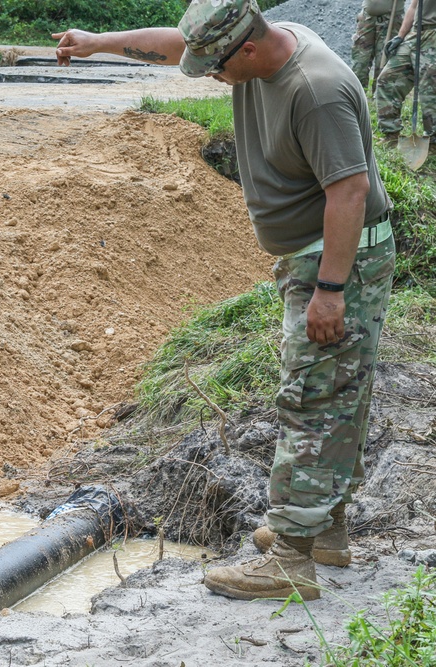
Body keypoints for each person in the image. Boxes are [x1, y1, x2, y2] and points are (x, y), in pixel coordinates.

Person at [54, 0, 395, 601]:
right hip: (317, 256)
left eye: (216, 67)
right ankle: (324, 530)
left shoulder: (315, 90)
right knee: (338, 395)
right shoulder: (255, 51)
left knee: (313, 397)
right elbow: (174, 44)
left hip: (341, 260)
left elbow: (350, 191)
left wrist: (331, 291)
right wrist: (96, 41)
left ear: (247, 49)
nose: (211, 76)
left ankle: (291, 557)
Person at [375, 0, 436, 143]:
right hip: (415, 34)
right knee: (387, 79)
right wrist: (400, 36)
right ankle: (391, 134)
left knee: (429, 91)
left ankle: (433, 141)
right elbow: (414, 6)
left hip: (433, 34)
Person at [352, 0, 406, 90]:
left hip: (390, 20)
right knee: (360, 62)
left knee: (384, 62)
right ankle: (358, 96)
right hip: (367, 19)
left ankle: (378, 98)